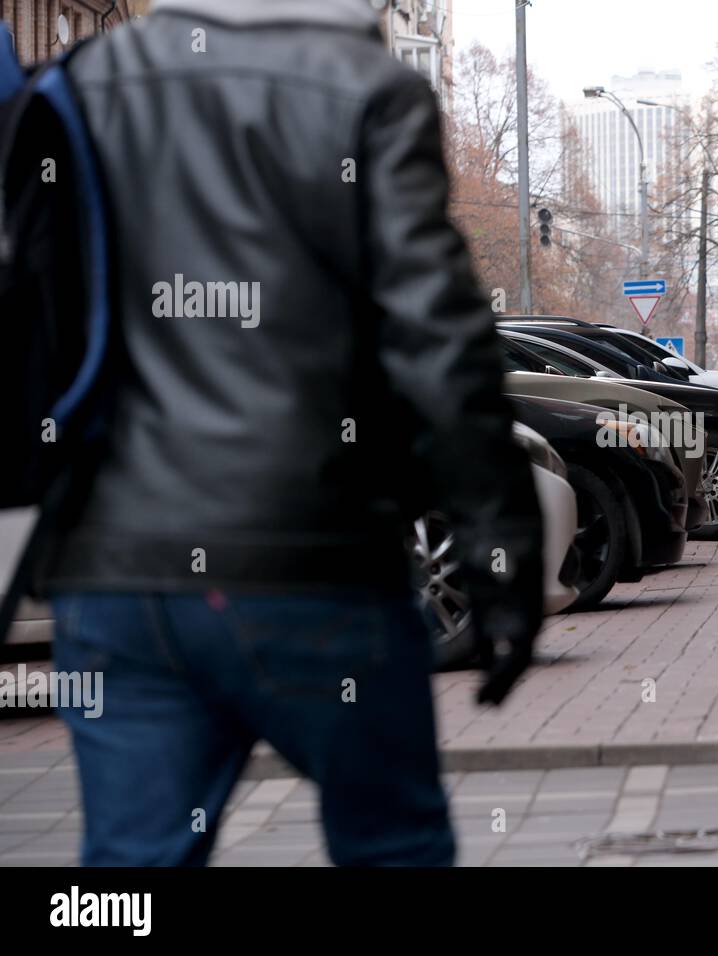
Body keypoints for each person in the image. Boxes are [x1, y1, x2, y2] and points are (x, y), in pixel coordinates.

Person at [35, 0, 543, 866]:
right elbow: (440, 344)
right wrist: (498, 549)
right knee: (394, 845)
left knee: (125, 874)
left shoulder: (83, 82)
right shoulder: (367, 91)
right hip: (312, 562)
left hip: (116, 567)